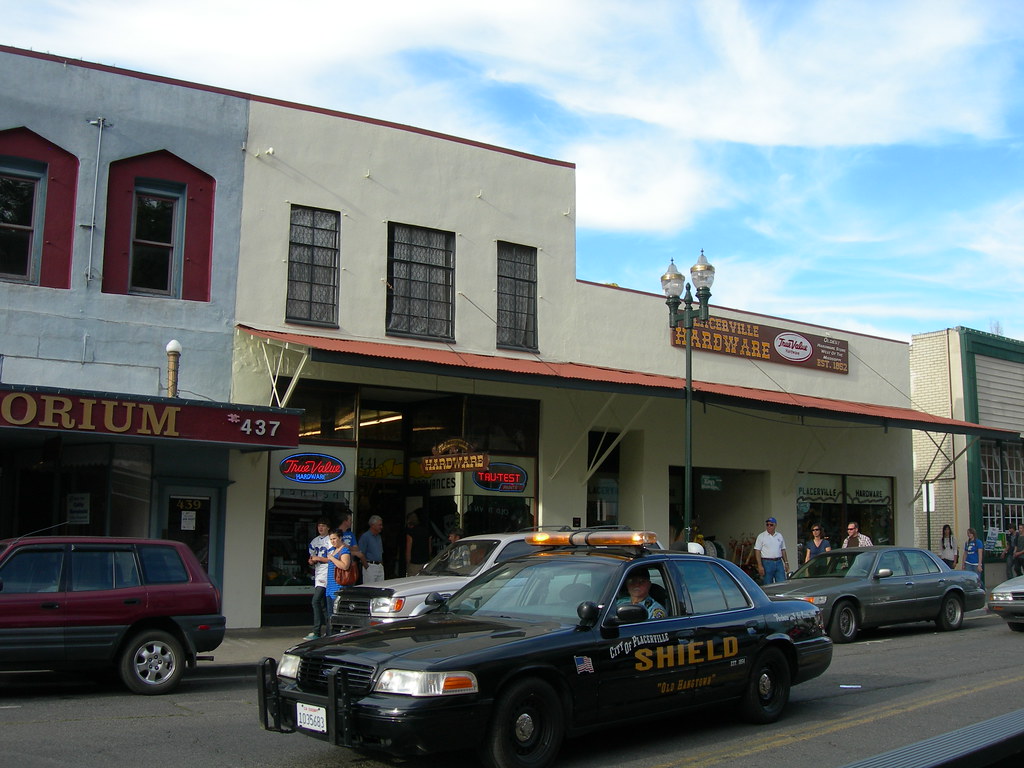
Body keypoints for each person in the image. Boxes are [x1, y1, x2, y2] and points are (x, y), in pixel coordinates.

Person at [306, 517, 331, 640]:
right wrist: (311, 560)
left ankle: (316, 631)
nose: (320, 528)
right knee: (321, 604)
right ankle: (330, 629)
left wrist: (319, 559)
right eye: (319, 526)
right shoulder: (314, 541)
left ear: (328, 528)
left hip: (326, 572)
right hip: (318, 572)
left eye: (323, 526)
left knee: (315, 600)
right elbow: (311, 557)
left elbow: (332, 558)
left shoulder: (330, 540)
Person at [323, 530, 352, 623]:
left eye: (334, 538)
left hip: (338, 586)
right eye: (331, 539)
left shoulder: (344, 550)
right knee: (330, 614)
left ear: (340, 538)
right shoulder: (334, 550)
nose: (332, 541)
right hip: (330, 587)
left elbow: (345, 566)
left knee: (336, 614)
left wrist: (332, 558)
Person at [754, 517, 789, 584]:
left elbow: (783, 550)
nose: (769, 526)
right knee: (768, 583)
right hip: (767, 562)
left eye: (771, 525)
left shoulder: (779, 536)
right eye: (767, 525)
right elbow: (757, 551)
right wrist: (760, 565)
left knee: (782, 583)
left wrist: (786, 562)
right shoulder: (761, 536)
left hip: (778, 562)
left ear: (775, 525)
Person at [358, 515, 385, 584]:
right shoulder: (365, 536)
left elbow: (380, 552)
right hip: (370, 566)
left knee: (380, 588)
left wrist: (381, 565)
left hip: (379, 566)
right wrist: (367, 567)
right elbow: (361, 553)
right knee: (370, 589)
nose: (381, 527)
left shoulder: (379, 537)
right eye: (379, 525)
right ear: (373, 525)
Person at [405, 510, 431, 577]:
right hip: (425, 561)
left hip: (414, 563)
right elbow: (429, 548)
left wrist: (408, 563)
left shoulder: (410, 533)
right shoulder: (426, 531)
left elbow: (408, 550)